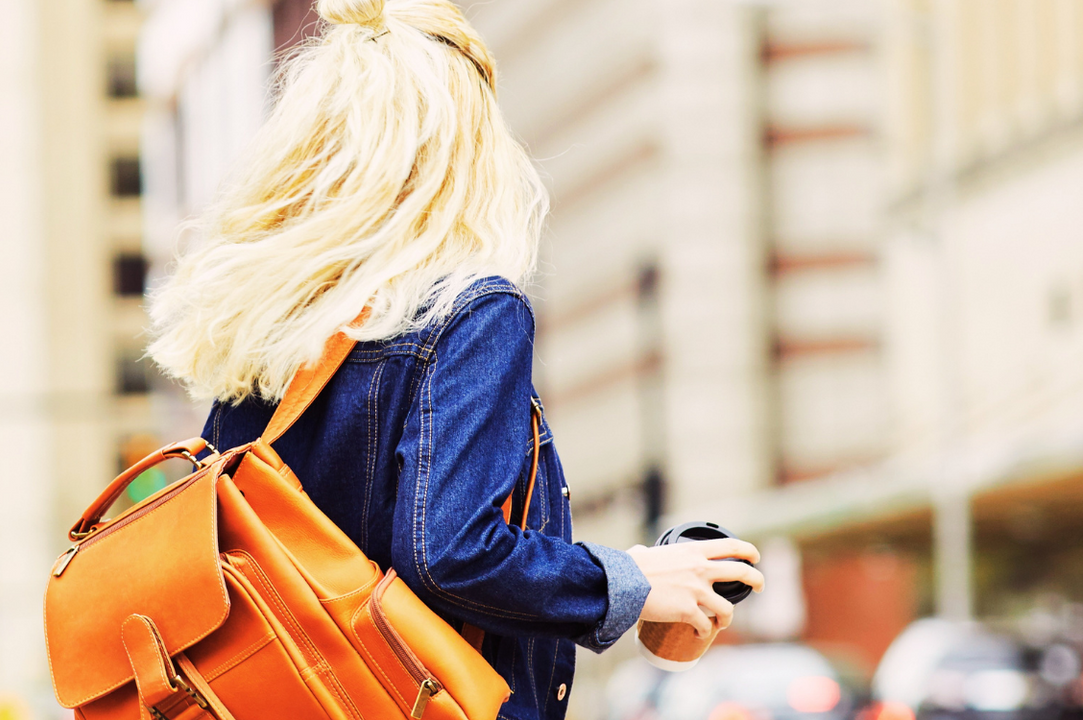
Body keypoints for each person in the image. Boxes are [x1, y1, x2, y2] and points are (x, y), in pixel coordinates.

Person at [147, 1, 764, 718]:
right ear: (465, 144)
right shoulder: (469, 310)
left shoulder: (266, 326)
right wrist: (632, 580)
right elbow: (451, 552)